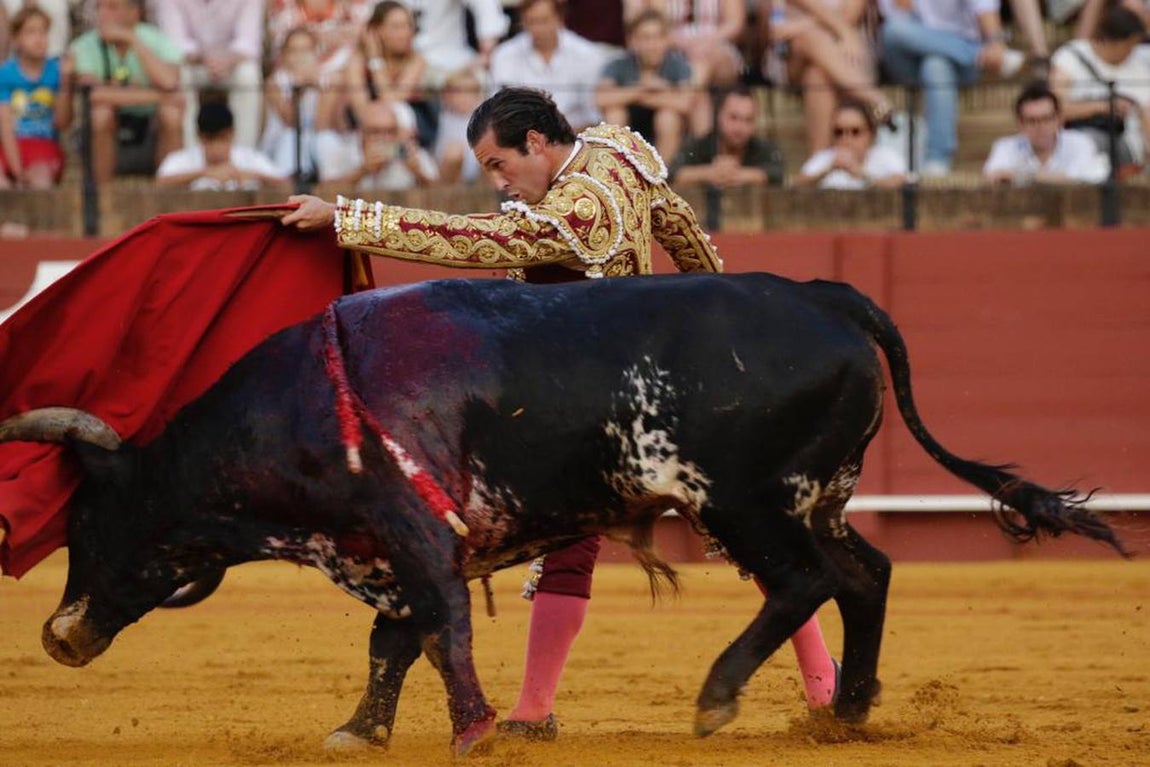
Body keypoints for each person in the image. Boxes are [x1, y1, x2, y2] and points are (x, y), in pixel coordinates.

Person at [282, 86, 836, 740]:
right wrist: (722, 308)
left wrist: (347, 218)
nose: (499, 181)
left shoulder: (577, 211)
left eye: (499, 164)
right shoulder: (617, 148)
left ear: (537, 143)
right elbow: (680, 227)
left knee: (575, 544)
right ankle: (822, 690)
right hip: (657, 389)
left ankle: (535, 709)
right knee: (744, 531)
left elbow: (479, 239)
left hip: (596, 407)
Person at [878, 0, 1027, 177]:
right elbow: (898, 17)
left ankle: (937, 159)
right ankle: (977, 54)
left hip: (955, 67)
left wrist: (995, 43)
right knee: (893, 29)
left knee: (935, 64)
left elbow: (985, 8)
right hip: (909, 61)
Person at [760, 0, 896, 152]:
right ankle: (875, 98)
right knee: (807, 38)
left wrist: (800, 26)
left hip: (845, 53)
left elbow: (849, 17)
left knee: (816, 74)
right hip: (792, 56)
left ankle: (819, 159)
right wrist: (842, 31)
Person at [69, 0, 184, 182]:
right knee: (101, 114)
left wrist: (132, 40)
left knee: (171, 114)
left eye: (112, 7)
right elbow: (93, 95)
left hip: (150, 129)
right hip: (108, 133)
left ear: (134, 13)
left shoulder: (158, 40)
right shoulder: (84, 45)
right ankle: (102, 193)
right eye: (100, 7)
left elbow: (170, 81)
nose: (103, 14)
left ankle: (170, 190)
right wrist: (159, 96)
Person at [1050, 4, 1150, 172]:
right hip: (1076, 137)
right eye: (1128, 46)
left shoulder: (1140, 65)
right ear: (1111, 41)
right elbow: (1054, 108)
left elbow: (1147, 113)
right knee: (1084, 143)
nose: (1132, 51)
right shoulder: (1071, 56)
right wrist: (1103, 106)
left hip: (1125, 145)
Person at [153, 0, 265, 150]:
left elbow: (248, 43)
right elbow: (173, 44)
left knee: (249, 75)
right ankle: (191, 154)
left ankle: (243, 153)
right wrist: (203, 59)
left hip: (232, 64)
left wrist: (226, 61)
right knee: (181, 74)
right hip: (193, 63)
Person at [489, 0, 606, 132]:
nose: (538, 29)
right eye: (531, 22)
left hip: (578, 135)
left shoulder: (587, 54)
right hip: (523, 136)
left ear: (559, 18)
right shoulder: (504, 55)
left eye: (544, 21)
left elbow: (594, 113)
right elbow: (500, 109)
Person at [596, 8, 693, 161]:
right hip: (629, 122)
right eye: (645, 38)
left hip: (665, 126)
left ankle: (663, 172)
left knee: (668, 117)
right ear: (632, 41)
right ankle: (616, 170)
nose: (652, 44)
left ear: (667, 39)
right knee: (615, 114)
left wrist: (633, 96)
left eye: (658, 37)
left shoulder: (677, 65)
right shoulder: (618, 64)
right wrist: (645, 89)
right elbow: (601, 99)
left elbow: (685, 103)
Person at [0, 5, 73, 189]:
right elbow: (6, 127)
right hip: (10, 147)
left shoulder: (57, 71)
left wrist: (65, 82)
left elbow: (62, 123)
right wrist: (17, 170)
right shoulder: (5, 74)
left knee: (41, 182)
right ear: (16, 39)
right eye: (30, 32)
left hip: (44, 147)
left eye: (43, 32)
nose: (39, 39)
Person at [983, 80, 1109, 185]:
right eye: (1032, 121)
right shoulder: (1006, 146)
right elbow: (992, 177)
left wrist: (1022, 176)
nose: (1040, 127)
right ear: (1020, 125)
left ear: (1059, 120)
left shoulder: (1080, 142)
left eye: (1046, 119)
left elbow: (1078, 180)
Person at [156, 100, 289, 190]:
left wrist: (253, 175)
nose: (217, 146)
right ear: (199, 136)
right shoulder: (183, 159)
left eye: (222, 138)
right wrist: (204, 173)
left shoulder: (250, 158)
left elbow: (286, 184)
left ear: (232, 134)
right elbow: (159, 183)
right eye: (210, 139)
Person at [670, 85, 785, 187]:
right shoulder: (698, 146)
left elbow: (778, 174)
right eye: (733, 118)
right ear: (719, 116)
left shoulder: (764, 148)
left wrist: (738, 174)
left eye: (748, 120)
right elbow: (672, 174)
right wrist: (709, 173)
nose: (740, 127)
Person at [315, 99, 437, 191]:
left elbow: (441, 194)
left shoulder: (410, 154)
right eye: (375, 131)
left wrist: (418, 173)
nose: (383, 138)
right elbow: (323, 194)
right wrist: (362, 171)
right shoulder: (341, 150)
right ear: (360, 132)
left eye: (390, 131)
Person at [795, 98, 907, 187]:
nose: (846, 139)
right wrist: (827, 171)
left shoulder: (886, 156)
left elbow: (901, 182)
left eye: (855, 132)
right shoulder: (824, 158)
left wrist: (862, 174)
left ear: (871, 134)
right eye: (839, 132)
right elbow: (795, 185)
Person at [434, 66, 484, 183]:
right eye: (458, 92)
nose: (464, 97)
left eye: (470, 92)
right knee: (455, 151)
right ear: (446, 96)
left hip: (477, 171)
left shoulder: (482, 116)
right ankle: (447, 192)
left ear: (478, 96)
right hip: (449, 170)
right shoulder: (443, 113)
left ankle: (485, 192)